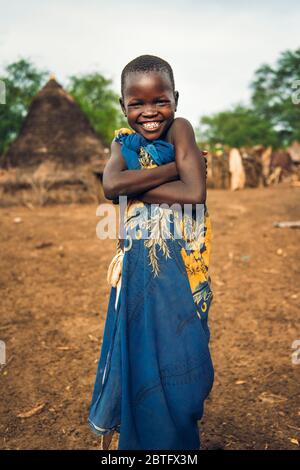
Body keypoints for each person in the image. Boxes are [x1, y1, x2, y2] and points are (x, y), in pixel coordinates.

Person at [88, 55, 214, 450]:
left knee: (184, 352)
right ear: (122, 105)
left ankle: (179, 445)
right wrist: (174, 170)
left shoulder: (181, 129)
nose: (149, 113)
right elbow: (111, 187)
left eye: (159, 100)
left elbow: (193, 193)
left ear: (175, 98)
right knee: (140, 354)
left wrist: (132, 184)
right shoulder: (120, 142)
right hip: (137, 269)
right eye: (136, 104)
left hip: (180, 267)